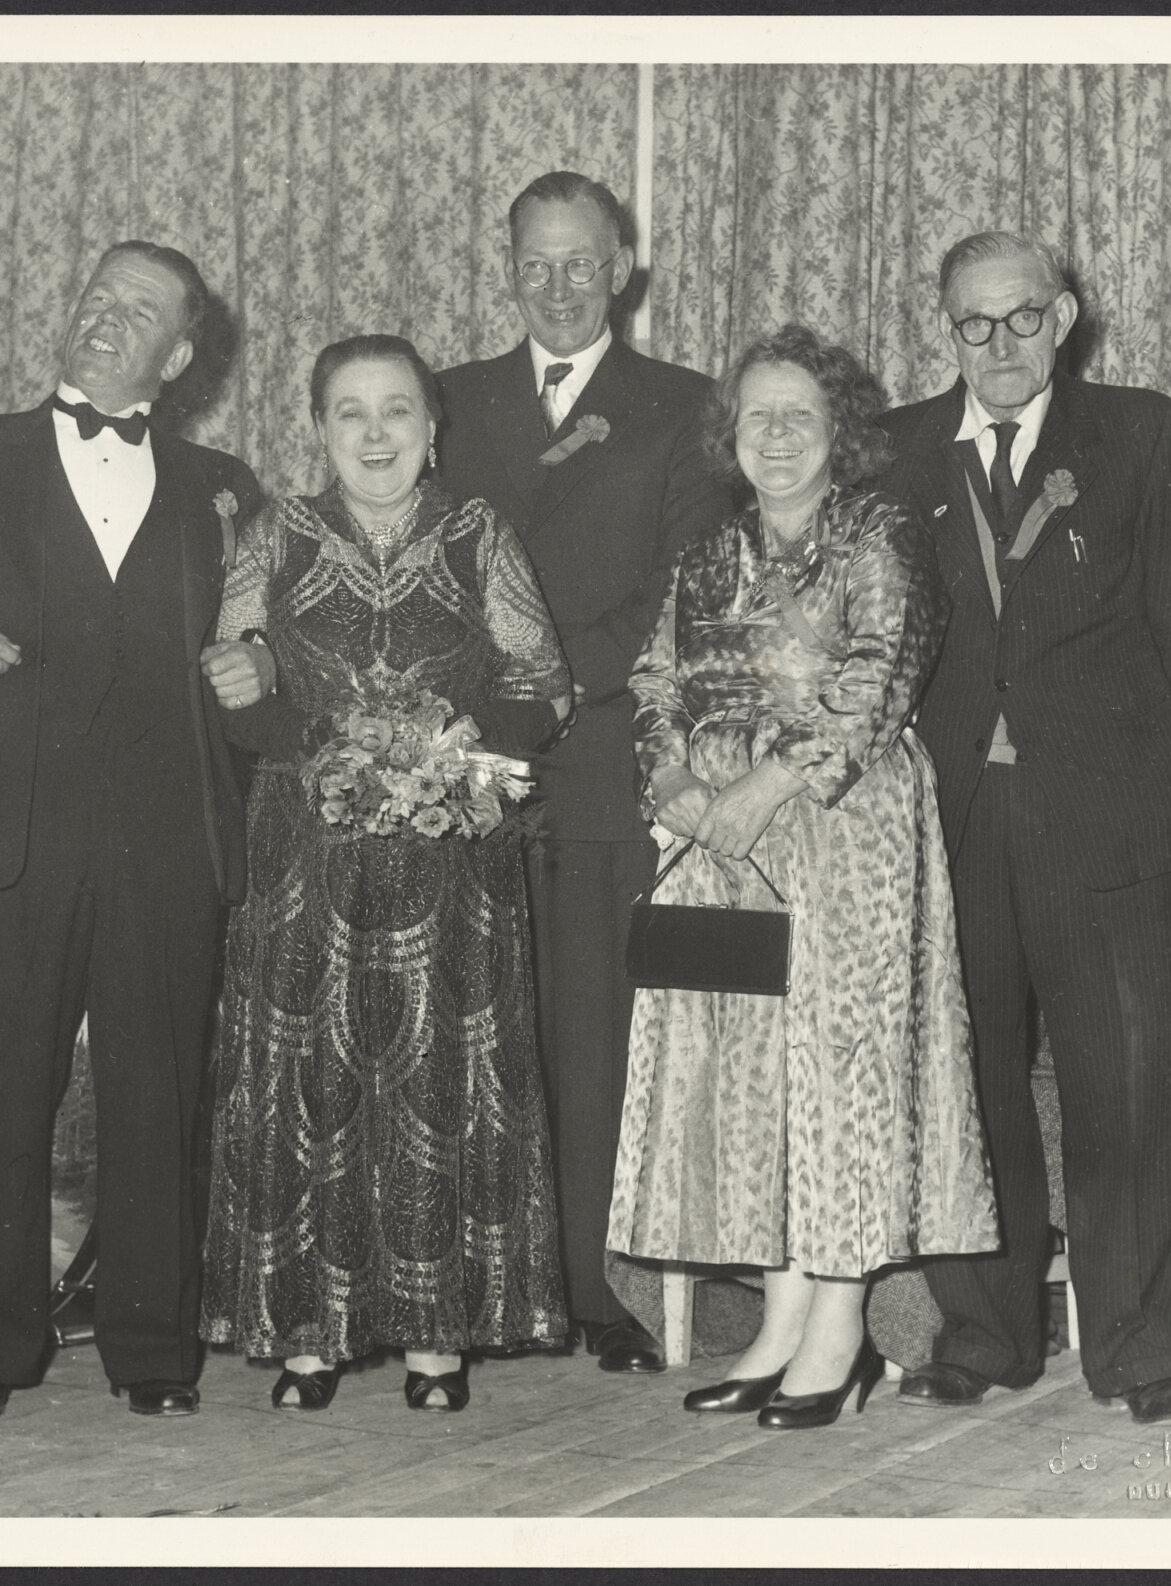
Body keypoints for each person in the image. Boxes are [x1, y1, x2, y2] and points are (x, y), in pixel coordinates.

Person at [0, 241, 269, 1419]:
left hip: (166, 829)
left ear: (181, 352)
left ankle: (151, 1347)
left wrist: (259, 660)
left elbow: (274, 636)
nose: (106, 317)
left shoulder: (226, 485)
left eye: (139, 309)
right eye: (93, 294)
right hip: (8, 825)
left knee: (156, 1087)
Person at [607, 326, 998, 1430]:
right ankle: (777, 1325)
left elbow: (880, 669)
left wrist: (764, 788)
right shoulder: (707, 550)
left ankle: (839, 1332)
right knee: (756, 1084)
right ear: (728, 437)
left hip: (838, 828)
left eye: (797, 416)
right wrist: (671, 776)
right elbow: (653, 675)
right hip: (721, 844)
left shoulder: (878, 533)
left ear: (839, 433)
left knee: (839, 1077)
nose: (774, 436)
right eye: (754, 417)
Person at [878, 230, 1171, 1428]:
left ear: (1065, 314)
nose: (999, 346)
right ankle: (984, 1334)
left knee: (1124, 1091)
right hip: (954, 821)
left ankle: (1142, 1356)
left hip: (1104, 812)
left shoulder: (1142, 436)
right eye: (972, 325)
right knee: (967, 1089)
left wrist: (1099, 751)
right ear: (945, 328)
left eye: (1022, 318)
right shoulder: (897, 450)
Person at [199, 335, 574, 1413]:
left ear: (431, 426)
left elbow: (542, 686)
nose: (374, 433)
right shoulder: (273, 532)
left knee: (434, 1078)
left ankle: (433, 1339)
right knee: (311, 1075)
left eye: (396, 411)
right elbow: (237, 690)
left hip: (448, 851)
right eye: (350, 412)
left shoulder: (474, 531)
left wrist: (442, 749)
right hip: (305, 846)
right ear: (318, 428)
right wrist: (331, 744)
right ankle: (307, 1336)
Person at [435, 172, 730, 1374]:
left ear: (621, 268)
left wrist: (553, 687)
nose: (556, 287)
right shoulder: (446, 401)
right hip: (462, 770)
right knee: (471, 1032)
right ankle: (479, 1283)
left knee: (594, 1039)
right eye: (532, 264)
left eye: (579, 263)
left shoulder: (683, 404)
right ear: (506, 267)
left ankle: (594, 1291)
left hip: (601, 763)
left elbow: (677, 590)